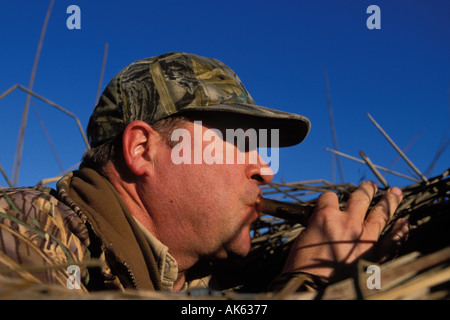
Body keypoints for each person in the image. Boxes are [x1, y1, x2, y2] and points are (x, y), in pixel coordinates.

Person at [0, 52, 409, 294]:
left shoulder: (202, 281)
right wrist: (308, 282)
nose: (265, 170)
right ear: (143, 150)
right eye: (242, 142)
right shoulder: (18, 237)